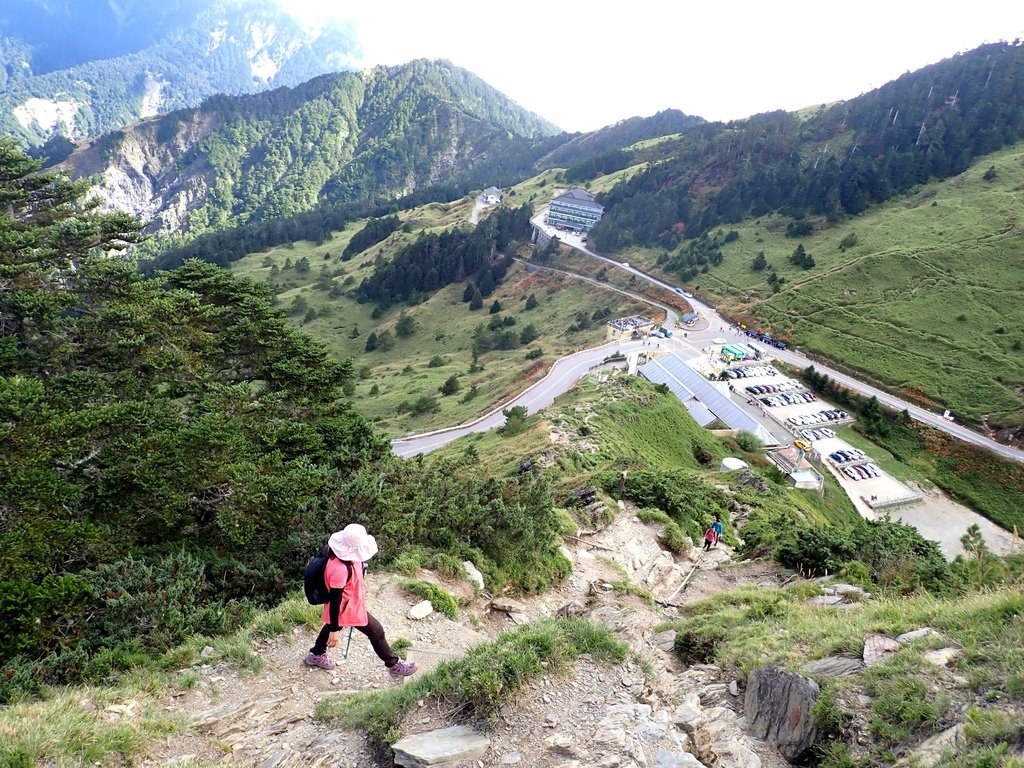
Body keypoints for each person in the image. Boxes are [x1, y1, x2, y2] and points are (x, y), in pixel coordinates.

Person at [305, 524, 417, 677]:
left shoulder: (334, 552)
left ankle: (316, 653)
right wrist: (334, 630)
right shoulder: (340, 569)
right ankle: (394, 664)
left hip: (349, 602)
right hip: (347, 607)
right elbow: (335, 600)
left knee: (336, 624)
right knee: (376, 631)